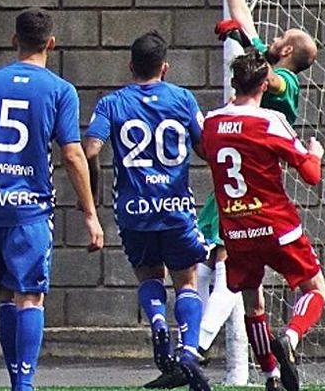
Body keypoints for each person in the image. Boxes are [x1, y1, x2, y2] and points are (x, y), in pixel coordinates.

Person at [0, 8, 104, 391]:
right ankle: (25, 384)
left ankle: (14, 377)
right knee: (30, 295)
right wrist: (90, 214)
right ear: (51, 43)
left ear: (14, 40)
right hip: (29, 206)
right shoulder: (59, 89)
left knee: (5, 291)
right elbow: (72, 154)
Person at [193, 0, 320, 384]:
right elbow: (241, 12)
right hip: (251, 186)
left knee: (233, 272)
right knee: (244, 287)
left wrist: (245, 43)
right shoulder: (268, 67)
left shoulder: (285, 80)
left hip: (254, 184)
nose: (275, 35)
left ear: (285, 53)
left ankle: (198, 345)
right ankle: (269, 372)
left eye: (281, 36)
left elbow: (270, 80)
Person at [82, 31, 211, 391]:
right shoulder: (183, 100)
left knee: (149, 278)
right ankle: (187, 349)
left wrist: (92, 193)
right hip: (175, 207)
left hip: (134, 210)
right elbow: (204, 148)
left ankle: (157, 322)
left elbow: (91, 148)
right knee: (186, 281)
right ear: (165, 67)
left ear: (130, 66)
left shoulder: (112, 104)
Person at [202, 50, 325, 391]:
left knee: (252, 303)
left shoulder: (210, 123)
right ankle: (290, 337)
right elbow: (312, 175)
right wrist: (314, 152)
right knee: (315, 289)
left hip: (237, 231)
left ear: (234, 83)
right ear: (263, 85)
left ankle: (271, 375)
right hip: (276, 224)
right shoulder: (270, 121)